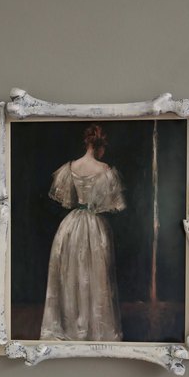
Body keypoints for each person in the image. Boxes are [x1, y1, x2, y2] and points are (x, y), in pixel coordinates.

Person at [40, 123, 126, 342]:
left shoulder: (71, 167)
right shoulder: (105, 170)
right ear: (100, 147)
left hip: (71, 226)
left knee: (73, 275)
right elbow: (111, 205)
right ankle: (90, 330)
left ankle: (75, 327)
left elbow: (66, 200)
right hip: (94, 226)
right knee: (93, 276)